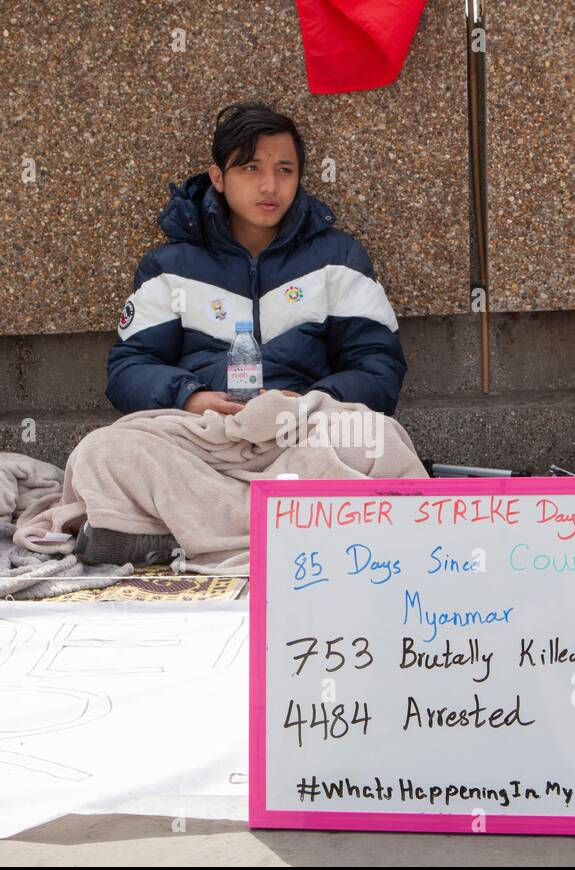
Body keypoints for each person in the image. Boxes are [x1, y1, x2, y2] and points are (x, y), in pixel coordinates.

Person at [90, 100, 407, 564]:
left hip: (304, 434)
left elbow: (379, 369)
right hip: (204, 437)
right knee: (106, 450)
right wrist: (190, 395)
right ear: (218, 177)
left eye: (284, 170)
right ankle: (286, 524)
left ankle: (187, 531)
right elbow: (127, 370)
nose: (269, 186)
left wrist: (309, 403)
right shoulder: (169, 267)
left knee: (378, 439)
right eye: (251, 168)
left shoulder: (337, 260)